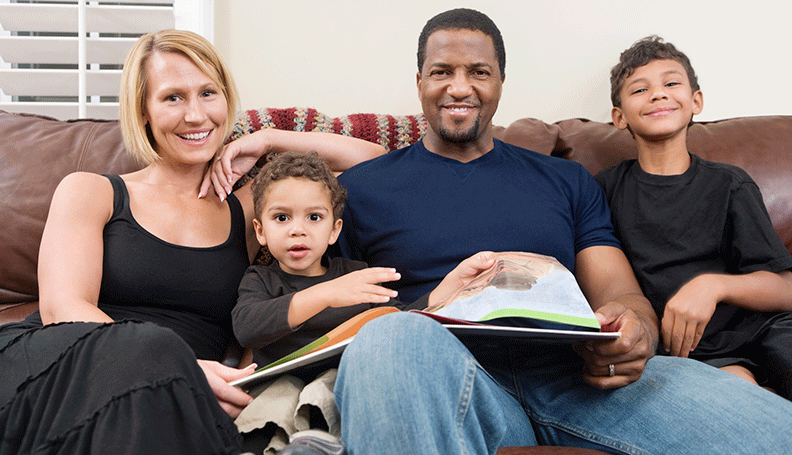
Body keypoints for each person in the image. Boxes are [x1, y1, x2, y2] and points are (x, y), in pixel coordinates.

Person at [319, 8, 792, 454]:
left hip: (578, 380)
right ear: (419, 82)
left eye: (479, 72)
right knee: (387, 338)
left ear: (501, 82)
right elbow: (326, 309)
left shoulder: (565, 180)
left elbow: (622, 294)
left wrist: (636, 332)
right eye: (442, 71)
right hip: (451, 378)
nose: (459, 87)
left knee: (775, 430)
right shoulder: (359, 190)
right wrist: (429, 309)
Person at [0, 29, 384, 455]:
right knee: (151, 351)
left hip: (170, 397)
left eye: (208, 93)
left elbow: (375, 164)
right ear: (143, 110)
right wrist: (176, 362)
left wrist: (268, 139)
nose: (196, 115)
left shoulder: (251, 209)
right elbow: (63, 310)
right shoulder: (91, 191)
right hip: (66, 368)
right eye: (172, 98)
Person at [595, 36, 792, 399]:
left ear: (696, 101)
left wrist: (713, 286)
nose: (658, 94)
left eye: (671, 83)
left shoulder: (729, 184)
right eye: (640, 89)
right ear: (619, 117)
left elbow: (785, 290)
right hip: (685, 357)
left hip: (760, 333)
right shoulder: (605, 190)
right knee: (737, 392)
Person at [232, 151, 496, 366]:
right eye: (282, 218)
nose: (297, 230)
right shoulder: (260, 279)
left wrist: (448, 288)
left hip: (341, 381)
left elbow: (399, 318)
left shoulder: (355, 276)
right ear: (260, 231)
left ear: (334, 230)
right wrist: (327, 294)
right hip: (277, 384)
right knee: (276, 399)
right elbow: (246, 328)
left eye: (314, 217)